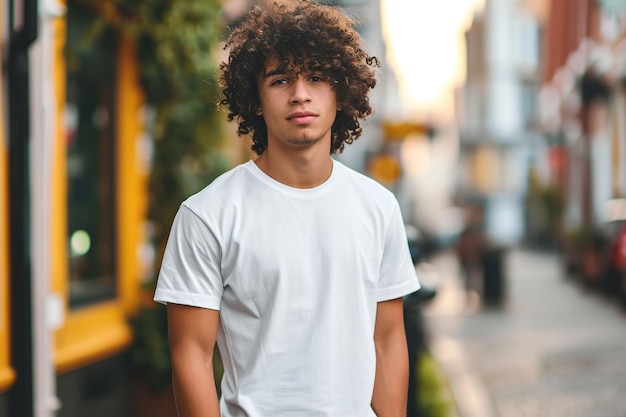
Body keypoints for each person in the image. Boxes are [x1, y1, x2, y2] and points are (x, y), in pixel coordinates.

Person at [154, 1, 420, 416]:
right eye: (280, 80)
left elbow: (386, 341)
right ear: (255, 98)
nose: (300, 94)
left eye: (316, 77)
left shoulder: (378, 208)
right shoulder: (207, 215)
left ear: (340, 91)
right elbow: (190, 353)